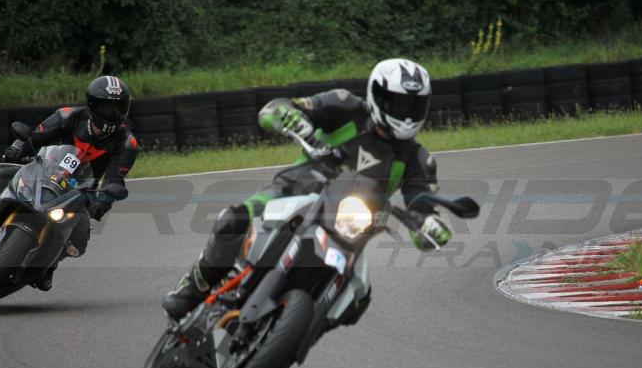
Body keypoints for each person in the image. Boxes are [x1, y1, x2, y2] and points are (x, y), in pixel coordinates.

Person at [162, 58, 453, 321]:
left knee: (356, 301)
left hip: (349, 228)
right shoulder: (345, 106)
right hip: (295, 189)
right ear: (378, 96)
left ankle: (288, 343)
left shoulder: (418, 159)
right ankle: (193, 287)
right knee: (234, 220)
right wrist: (289, 116)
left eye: (414, 107)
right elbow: (274, 109)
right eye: (399, 104)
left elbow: (422, 205)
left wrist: (430, 226)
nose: (406, 115)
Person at [0, 75, 140, 290]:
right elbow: (34, 137)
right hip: (42, 172)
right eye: (105, 107)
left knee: (80, 237)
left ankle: (49, 265)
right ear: (92, 104)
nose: (111, 113)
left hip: (80, 190)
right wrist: (18, 148)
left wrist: (104, 200)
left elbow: (115, 179)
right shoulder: (67, 116)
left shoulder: (127, 143)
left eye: (117, 108)